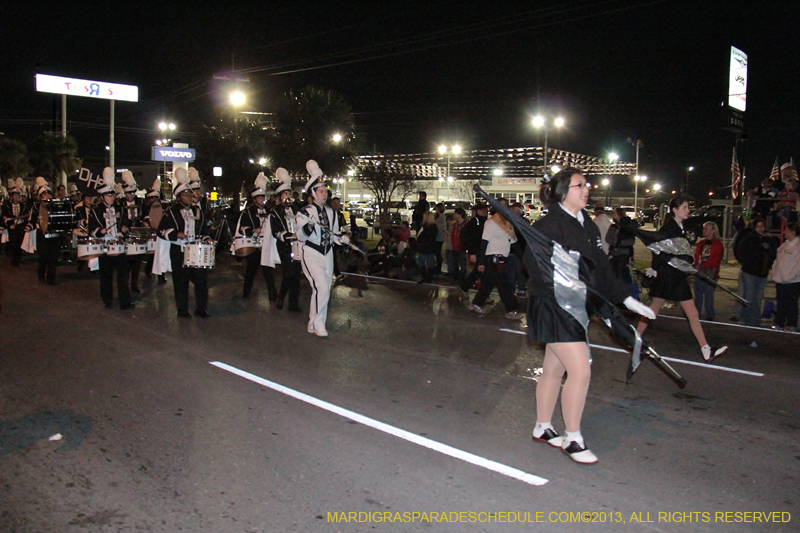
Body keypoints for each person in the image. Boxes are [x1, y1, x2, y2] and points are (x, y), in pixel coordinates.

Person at [528, 168, 655, 464]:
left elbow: (600, 268)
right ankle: (573, 438)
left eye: (587, 185)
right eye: (579, 185)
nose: (586, 190)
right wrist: (565, 283)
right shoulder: (549, 225)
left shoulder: (587, 225)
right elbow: (533, 268)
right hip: (552, 306)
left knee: (554, 369)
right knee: (581, 371)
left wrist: (627, 299)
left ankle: (542, 427)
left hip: (574, 306)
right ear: (562, 192)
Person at [637, 194, 728, 361]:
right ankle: (705, 349)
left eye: (688, 207)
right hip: (672, 276)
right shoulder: (669, 229)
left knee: (654, 308)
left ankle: (635, 338)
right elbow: (659, 249)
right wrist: (655, 268)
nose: (688, 210)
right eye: (685, 207)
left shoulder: (679, 228)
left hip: (671, 275)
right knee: (690, 313)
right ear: (675, 210)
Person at [296, 160, 349, 337]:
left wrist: (341, 239)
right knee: (322, 288)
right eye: (321, 191)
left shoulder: (332, 213)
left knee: (321, 289)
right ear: (313, 192)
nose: (325, 194)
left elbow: (333, 235)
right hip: (311, 253)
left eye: (325, 191)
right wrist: (310, 225)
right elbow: (300, 236)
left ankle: (313, 321)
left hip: (327, 254)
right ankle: (319, 324)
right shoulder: (304, 212)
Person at [158, 170, 212, 318]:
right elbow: (161, 230)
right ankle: (182, 310)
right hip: (179, 251)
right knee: (181, 282)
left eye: (189, 194)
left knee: (201, 281)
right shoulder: (171, 212)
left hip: (197, 251)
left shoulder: (197, 211)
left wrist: (207, 238)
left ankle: (201, 308)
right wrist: (176, 233)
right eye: (185, 195)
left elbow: (203, 229)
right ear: (179, 197)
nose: (189, 197)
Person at [468, 203, 522, 320]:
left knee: (488, 284)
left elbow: (514, 242)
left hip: (502, 258)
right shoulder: (491, 223)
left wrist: (524, 257)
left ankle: (476, 303)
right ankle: (511, 309)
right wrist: (481, 262)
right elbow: (484, 242)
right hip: (494, 258)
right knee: (504, 285)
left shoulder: (507, 224)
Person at [88, 174, 133, 309]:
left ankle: (125, 301)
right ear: (102, 197)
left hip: (119, 244)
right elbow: (91, 229)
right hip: (104, 246)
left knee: (123, 275)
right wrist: (99, 231)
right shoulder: (95, 211)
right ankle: (107, 299)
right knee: (106, 275)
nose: (112, 197)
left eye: (112, 195)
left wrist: (125, 228)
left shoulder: (120, 208)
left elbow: (126, 223)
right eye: (108, 195)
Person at [237, 173, 278, 300]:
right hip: (253, 244)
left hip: (265, 244)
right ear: (254, 199)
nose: (262, 199)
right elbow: (242, 227)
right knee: (251, 270)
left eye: (263, 197)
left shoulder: (268, 211)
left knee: (267, 269)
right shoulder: (247, 212)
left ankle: (272, 294)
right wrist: (253, 230)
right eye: (259, 198)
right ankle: (246, 292)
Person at [268, 168, 303, 311]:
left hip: (297, 244)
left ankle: (293, 304)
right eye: (285, 194)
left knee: (296, 274)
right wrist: (290, 236)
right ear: (279, 196)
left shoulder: (296, 209)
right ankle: (281, 297)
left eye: (289, 193)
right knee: (289, 272)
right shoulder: (275, 211)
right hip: (284, 246)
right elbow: (276, 231)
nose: (288, 196)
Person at [733, 217, 777, 326]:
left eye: (762, 226)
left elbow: (773, 254)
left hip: (762, 273)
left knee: (757, 298)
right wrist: (748, 263)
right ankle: (744, 318)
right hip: (750, 273)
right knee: (748, 296)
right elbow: (741, 252)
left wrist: (768, 264)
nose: (760, 229)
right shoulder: (749, 239)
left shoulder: (768, 240)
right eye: (758, 226)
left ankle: (756, 319)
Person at [25, 178, 61, 285]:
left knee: (53, 257)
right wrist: (29, 226)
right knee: (44, 256)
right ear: (41, 196)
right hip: (42, 234)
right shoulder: (36, 206)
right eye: (44, 194)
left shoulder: (56, 205)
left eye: (48, 194)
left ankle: (51, 277)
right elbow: (32, 219)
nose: (47, 196)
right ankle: (41, 273)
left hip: (55, 234)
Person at [693, 222, 724, 321]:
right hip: (699, 272)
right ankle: (696, 314)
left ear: (713, 231)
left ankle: (710, 315)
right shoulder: (701, 243)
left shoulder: (718, 244)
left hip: (710, 272)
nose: (703, 231)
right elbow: (696, 256)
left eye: (706, 229)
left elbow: (715, 260)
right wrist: (696, 265)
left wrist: (704, 266)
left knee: (709, 295)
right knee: (698, 295)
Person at [772, 222, 800, 331]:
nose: (784, 232)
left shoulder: (797, 247)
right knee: (780, 303)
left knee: (791, 303)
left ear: (792, 232)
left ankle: (791, 323)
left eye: (786, 230)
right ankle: (779, 322)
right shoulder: (783, 245)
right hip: (780, 280)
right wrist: (775, 272)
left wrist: (789, 276)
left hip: (792, 281)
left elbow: (798, 265)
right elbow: (777, 260)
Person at [458, 202, 489, 298]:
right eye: (483, 210)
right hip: (477, 251)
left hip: (484, 250)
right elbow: (466, 237)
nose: (486, 211)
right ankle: (467, 288)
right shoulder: (474, 222)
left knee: (482, 272)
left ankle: (481, 293)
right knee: (480, 271)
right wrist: (471, 252)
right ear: (479, 211)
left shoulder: (486, 222)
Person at [120, 171, 143, 293]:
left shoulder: (140, 202)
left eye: (133, 192)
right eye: (129, 193)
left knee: (137, 262)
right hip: (126, 235)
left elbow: (145, 214)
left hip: (137, 234)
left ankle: (134, 284)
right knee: (126, 263)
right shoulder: (120, 203)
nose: (132, 195)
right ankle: (126, 285)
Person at [142, 177, 167, 283]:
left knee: (159, 255)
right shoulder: (147, 207)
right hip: (153, 233)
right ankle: (150, 271)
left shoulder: (160, 205)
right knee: (154, 255)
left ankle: (159, 275)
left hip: (159, 233)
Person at [2, 180, 30, 267]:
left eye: (17, 195)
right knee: (13, 244)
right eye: (14, 195)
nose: (16, 197)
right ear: (12, 196)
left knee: (20, 244)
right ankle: (14, 261)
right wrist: (11, 223)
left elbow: (26, 215)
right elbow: (5, 216)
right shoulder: (7, 205)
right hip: (12, 227)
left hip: (20, 227)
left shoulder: (23, 205)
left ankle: (18, 260)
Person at [416, 211, 439, 283]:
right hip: (425, 247)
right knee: (422, 263)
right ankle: (425, 277)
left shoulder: (431, 228)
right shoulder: (425, 226)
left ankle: (428, 277)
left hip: (428, 248)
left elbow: (422, 237)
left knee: (429, 263)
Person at [446, 207, 467, 283]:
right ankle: (456, 277)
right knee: (454, 263)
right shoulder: (455, 224)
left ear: (459, 214)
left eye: (455, 213)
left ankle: (463, 278)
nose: (454, 215)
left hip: (462, 247)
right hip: (454, 246)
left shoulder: (465, 224)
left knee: (462, 263)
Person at [433, 202, 446, 273]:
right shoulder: (436, 216)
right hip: (436, 237)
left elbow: (438, 227)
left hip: (440, 237)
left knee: (438, 252)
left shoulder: (442, 217)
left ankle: (438, 267)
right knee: (436, 252)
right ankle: (437, 266)